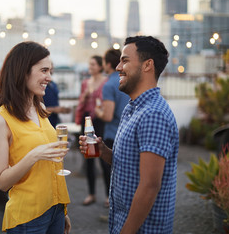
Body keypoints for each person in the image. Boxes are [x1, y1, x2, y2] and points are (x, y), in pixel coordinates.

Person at [79, 36, 179, 234]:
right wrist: (103, 151)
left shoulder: (153, 114)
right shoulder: (132, 108)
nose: (117, 67)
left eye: (125, 60)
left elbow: (150, 185)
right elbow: (128, 165)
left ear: (147, 65)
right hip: (121, 222)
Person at [0, 41, 71, 233]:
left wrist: (62, 211)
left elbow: (50, 166)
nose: (49, 77)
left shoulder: (40, 108)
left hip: (55, 208)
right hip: (28, 217)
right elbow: (1, 182)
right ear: (23, 71)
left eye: (50, 71)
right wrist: (34, 155)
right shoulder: (0, 119)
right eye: (44, 70)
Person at [94, 48, 130, 208]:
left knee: (111, 171)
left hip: (112, 134)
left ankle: (112, 202)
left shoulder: (109, 84)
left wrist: (98, 111)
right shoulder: (127, 81)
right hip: (128, 133)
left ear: (108, 64)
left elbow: (107, 116)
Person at [75, 55, 108, 206]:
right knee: (88, 157)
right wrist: (86, 96)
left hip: (99, 121)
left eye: (93, 64)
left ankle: (108, 195)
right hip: (87, 121)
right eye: (90, 64)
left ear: (100, 66)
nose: (91, 67)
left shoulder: (105, 82)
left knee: (103, 158)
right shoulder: (85, 83)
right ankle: (91, 193)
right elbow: (80, 103)